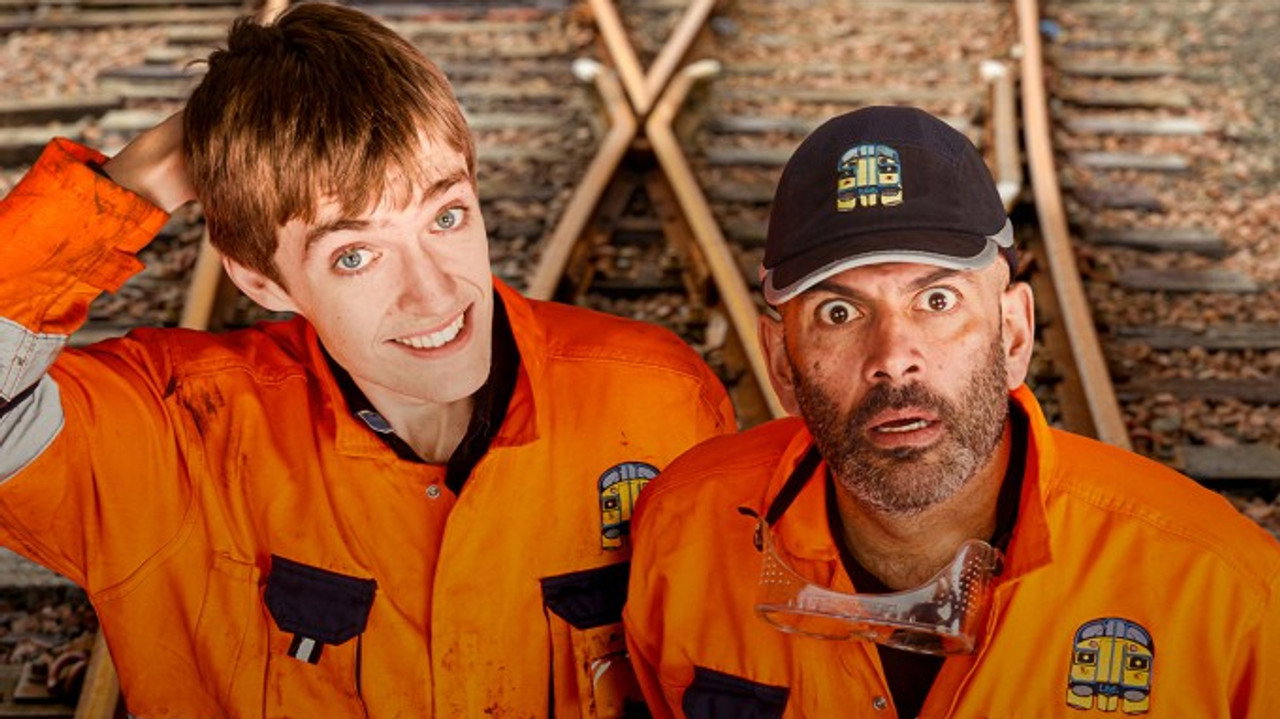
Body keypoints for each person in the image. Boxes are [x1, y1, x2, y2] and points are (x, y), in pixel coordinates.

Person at [0, 4, 734, 717]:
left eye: (446, 216)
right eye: (355, 255)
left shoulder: (656, 399)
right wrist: (139, 180)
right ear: (260, 281)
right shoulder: (179, 433)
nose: (436, 294)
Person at [623, 106, 1279, 718]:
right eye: (839, 312)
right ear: (781, 363)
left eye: (937, 301)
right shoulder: (687, 535)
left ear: (1014, 335)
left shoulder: (1225, 593)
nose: (893, 359)